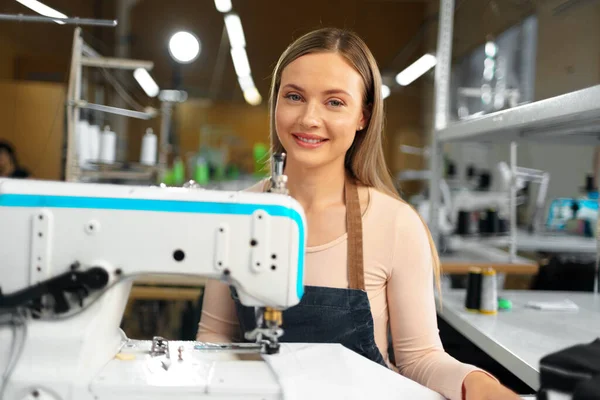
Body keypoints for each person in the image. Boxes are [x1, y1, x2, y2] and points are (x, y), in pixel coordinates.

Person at [197, 28, 520, 400]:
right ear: (276, 104)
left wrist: (480, 386)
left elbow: (421, 360)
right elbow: (215, 338)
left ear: (363, 116)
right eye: (294, 96)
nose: (308, 118)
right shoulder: (237, 214)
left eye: (334, 102)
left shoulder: (395, 224)